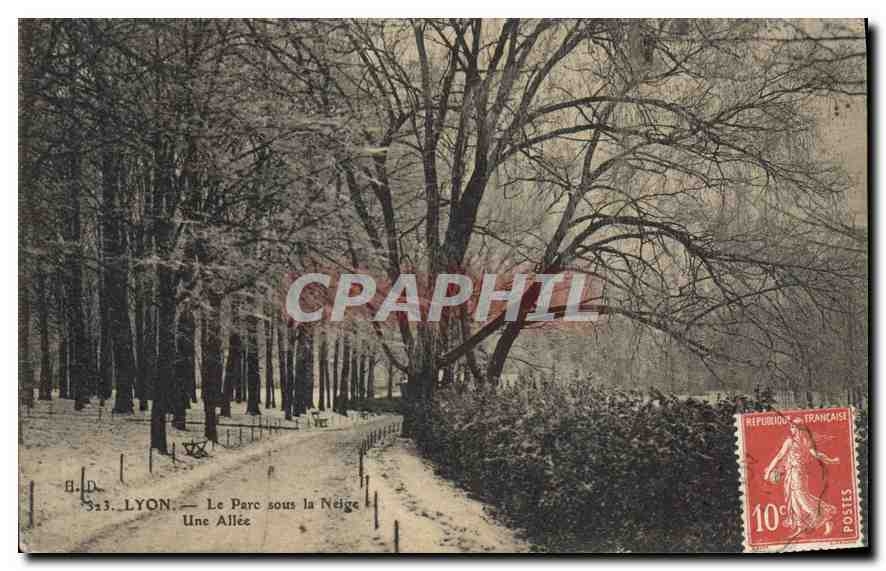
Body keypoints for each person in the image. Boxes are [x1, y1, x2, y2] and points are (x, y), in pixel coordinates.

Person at [763, 418, 839, 537]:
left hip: (797, 474)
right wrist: (769, 470)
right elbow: (779, 456)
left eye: (793, 427)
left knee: (803, 499)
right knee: (794, 500)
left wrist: (831, 460)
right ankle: (800, 527)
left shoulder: (799, 441)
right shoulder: (797, 441)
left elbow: (816, 454)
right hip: (792, 473)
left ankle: (825, 518)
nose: (791, 429)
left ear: (799, 428)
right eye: (791, 427)